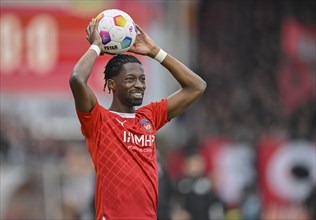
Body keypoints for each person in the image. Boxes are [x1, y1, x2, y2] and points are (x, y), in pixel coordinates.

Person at [69, 17, 207, 220]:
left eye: (142, 79)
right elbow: (77, 79)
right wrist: (96, 47)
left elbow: (197, 86)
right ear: (112, 84)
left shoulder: (149, 116)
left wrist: (155, 52)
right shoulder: (98, 120)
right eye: (130, 79)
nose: (139, 85)